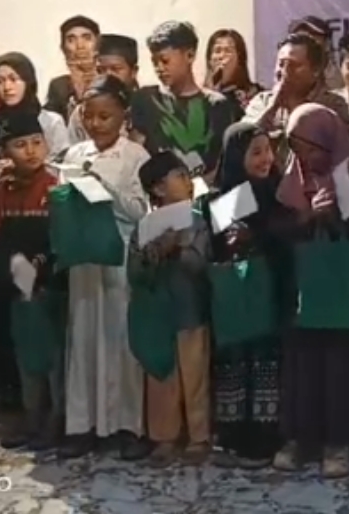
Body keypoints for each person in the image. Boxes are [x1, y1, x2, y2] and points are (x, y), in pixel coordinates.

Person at [273, 104, 349, 479]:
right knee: (303, 367)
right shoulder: (291, 181)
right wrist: (307, 217)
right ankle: (301, 439)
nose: (305, 157)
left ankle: (339, 441)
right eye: (296, 148)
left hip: (344, 289)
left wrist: (339, 212)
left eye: (311, 148)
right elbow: (278, 233)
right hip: (303, 289)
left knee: (341, 367)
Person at [58, 75, 151, 459]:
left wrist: (102, 188)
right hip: (83, 258)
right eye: (89, 116)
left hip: (119, 257)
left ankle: (126, 424)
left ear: (123, 117)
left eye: (105, 116)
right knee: (83, 338)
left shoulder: (135, 156)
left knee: (120, 340)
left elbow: (140, 211)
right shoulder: (73, 155)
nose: (96, 124)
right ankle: (83, 424)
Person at [0, 110, 63, 451]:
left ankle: (57, 420)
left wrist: (40, 269)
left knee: (54, 356)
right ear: (5, 152)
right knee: (26, 355)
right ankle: (32, 417)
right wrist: (14, 273)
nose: (30, 151)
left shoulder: (58, 185)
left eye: (36, 143)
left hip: (53, 287)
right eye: (20, 145)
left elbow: (61, 239)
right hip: (17, 286)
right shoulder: (0, 190)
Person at [210, 122, 289, 469]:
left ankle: (264, 439)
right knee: (234, 362)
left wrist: (258, 237)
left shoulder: (279, 192)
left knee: (265, 362)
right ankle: (232, 437)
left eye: (268, 150)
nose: (265, 159)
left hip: (269, 292)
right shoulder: (224, 197)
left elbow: (284, 240)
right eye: (255, 152)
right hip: (236, 295)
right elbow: (217, 244)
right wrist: (234, 240)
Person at [133, 149, 212, 467]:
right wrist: (152, 254)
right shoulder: (145, 225)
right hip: (158, 314)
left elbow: (200, 264)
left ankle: (198, 435)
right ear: (158, 188)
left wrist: (178, 248)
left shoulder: (197, 220)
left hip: (190, 309)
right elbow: (134, 274)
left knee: (195, 375)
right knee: (161, 376)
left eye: (187, 175)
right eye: (179, 176)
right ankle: (164, 436)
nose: (188, 181)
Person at [131, 21, 241, 178]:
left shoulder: (217, 105)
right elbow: (136, 154)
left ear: (190, 55)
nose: (159, 68)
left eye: (165, 60)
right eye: (154, 62)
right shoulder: (146, 99)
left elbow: (220, 162)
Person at [0, 52, 71, 198]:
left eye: (14, 79)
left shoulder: (51, 122)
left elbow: (64, 167)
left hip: (45, 202)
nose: (7, 87)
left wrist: (26, 170)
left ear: (28, 81)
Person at [242, 33, 349, 160]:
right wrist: (273, 107)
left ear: (315, 71)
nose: (284, 72)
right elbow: (244, 143)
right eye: (281, 64)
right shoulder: (262, 101)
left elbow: (333, 151)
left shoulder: (333, 104)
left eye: (294, 65)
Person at [67, 34, 141, 144]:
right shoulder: (82, 112)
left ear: (133, 71)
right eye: (100, 70)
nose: (108, 75)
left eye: (116, 69)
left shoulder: (146, 108)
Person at [45, 15, 100, 119]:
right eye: (71, 40)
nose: (80, 46)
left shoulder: (110, 81)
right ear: (63, 48)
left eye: (87, 38)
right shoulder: (59, 86)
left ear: (98, 44)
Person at [203, 28, 261, 109]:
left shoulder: (255, 95)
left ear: (240, 58)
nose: (222, 56)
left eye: (228, 51)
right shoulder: (201, 96)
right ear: (209, 59)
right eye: (217, 51)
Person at [288, 15, 344, 91]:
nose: (305, 43)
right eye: (300, 38)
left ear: (327, 44)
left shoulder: (340, 81)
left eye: (312, 37)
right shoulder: (285, 75)